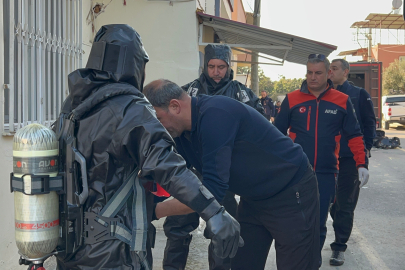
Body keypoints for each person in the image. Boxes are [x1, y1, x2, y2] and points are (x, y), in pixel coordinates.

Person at [55, 24, 242, 270]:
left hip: (69, 247)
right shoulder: (130, 110)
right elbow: (170, 167)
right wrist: (214, 211)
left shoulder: (70, 109)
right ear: (135, 63)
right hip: (113, 250)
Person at [144, 79, 320, 270]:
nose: (159, 127)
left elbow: (211, 194)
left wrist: (154, 211)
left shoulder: (215, 115)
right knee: (242, 263)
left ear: (175, 106)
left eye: (159, 119)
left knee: (296, 265)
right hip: (253, 198)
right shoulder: (182, 132)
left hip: (290, 192)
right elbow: (172, 174)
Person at [162, 44, 264, 270]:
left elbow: (259, 131)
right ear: (205, 66)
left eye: (221, 66)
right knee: (177, 230)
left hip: (222, 174)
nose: (216, 71)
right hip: (188, 174)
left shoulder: (243, 94)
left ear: (229, 67)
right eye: (211, 66)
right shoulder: (187, 92)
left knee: (222, 231)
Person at [274, 54, 370, 268]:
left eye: (318, 73)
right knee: (295, 222)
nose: (313, 77)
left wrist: (361, 163)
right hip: (295, 173)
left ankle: (312, 263)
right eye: (309, 72)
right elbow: (276, 135)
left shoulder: (341, 100)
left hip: (326, 173)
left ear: (328, 73)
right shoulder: (292, 99)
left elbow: (354, 135)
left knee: (317, 223)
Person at [328, 59, 376, 266]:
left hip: (350, 158)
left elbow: (369, 122)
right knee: (331, 203)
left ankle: (339, 247)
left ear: (346, 72)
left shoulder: (358, 95)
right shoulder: (322, 93)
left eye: (335, 69)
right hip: (326, 157)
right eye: (328, 69)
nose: (330, 72)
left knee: (346, 203)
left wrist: (365, 153)